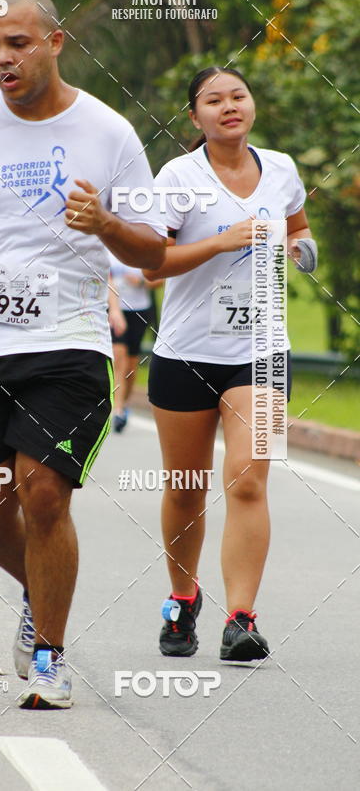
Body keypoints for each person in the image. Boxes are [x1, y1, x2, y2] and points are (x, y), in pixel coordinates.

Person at [0, 0, 166, 709]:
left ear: (55, 43)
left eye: (18, 43)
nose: (3, 58)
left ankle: (52, 657)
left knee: (45, 492)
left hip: (68, 338)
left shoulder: (109, 132)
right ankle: (38, 585)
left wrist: (107, 226)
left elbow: (154, 249)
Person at [143, 66, 316, 662]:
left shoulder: (283, 169)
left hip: (262, 352)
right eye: (212, 101)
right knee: (186, 488)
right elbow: (152, 265)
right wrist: (222, 240)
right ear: (195, 118)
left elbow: (300, 228)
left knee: (249, 477)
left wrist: (300, 250)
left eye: (237, 96)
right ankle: (181, 600)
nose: (228, 107)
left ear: (252, 105)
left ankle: (241, 618)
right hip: (186, 354)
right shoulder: (177, 178)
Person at [108, 251, 156, 432]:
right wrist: (114, 308)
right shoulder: (106, 246)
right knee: (118, 357)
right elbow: (105, 278)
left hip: (139, 310)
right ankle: (118, 410)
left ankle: (124, 402)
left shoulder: (139, 245)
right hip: (115, 310)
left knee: (131, 364)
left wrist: (141, 282)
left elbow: (159, 278)